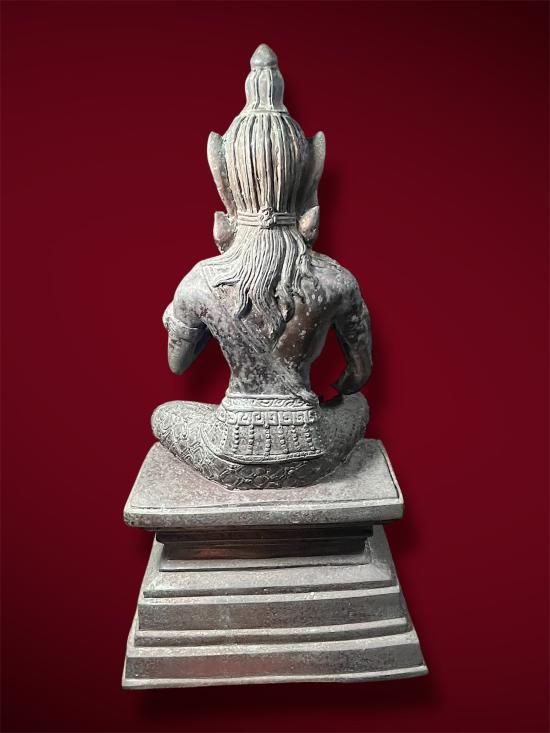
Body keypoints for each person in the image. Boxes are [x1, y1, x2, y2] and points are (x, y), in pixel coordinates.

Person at [152, 44, 372, 489]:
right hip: (312, 450)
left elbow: (178, 364)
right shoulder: (335, 280)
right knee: (359, 407)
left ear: (226, 183)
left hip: (229, 451)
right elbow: (357, 375)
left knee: (164, 414)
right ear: (308, 181)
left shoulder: (201, 281)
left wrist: (176, 317)